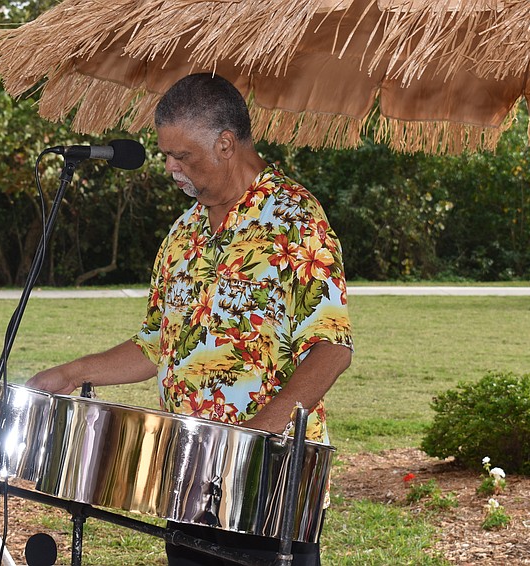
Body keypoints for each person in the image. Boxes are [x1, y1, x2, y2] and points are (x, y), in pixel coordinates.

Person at [28, 73, 354, 566]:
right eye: (165, 155)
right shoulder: (183, 233)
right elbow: (156, 345)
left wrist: (254, 439)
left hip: (267, 480)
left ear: (225, 143)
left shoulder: (296, 220)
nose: (170, 168)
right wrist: (71, 373)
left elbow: (331, 349)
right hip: (190, 477)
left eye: (183, 156)